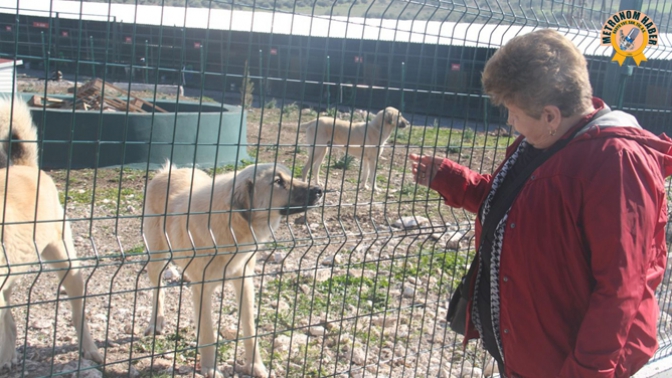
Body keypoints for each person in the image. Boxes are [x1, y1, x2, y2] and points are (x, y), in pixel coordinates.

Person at [410, 29, 672, 378]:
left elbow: (621, 291)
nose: (510, 122)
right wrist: (454, 181)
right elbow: (519, 206)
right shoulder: (543, 141)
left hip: (566, 365)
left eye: (513, 113)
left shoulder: (617, 164)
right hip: (528, 352)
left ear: (549, 115)